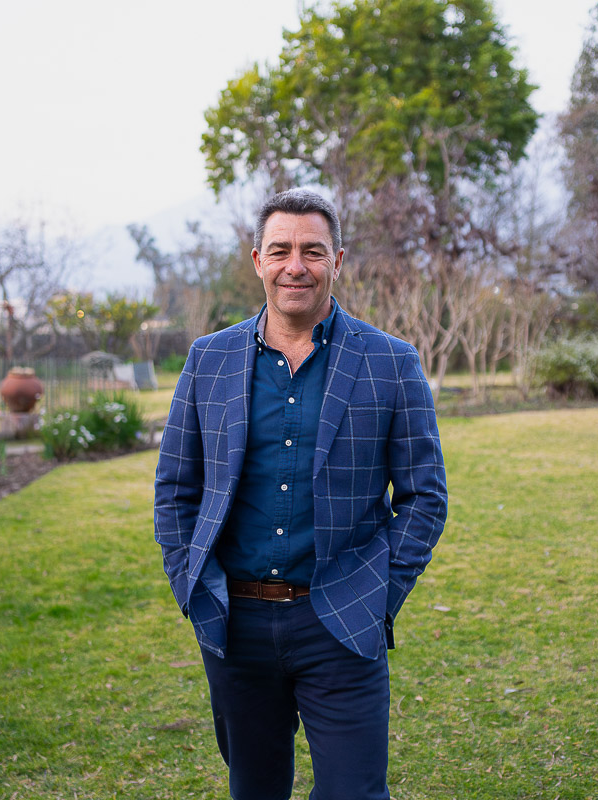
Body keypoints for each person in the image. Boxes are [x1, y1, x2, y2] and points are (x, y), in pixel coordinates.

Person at [154, 188, 447, 800]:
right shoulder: (209, 360)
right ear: (257, 260)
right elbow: (176, 487)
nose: (296, 266)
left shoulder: (391, 362)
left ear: (337, 261)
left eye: (312, 251)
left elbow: (424, 497)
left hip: (341, 620)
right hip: (234, 625)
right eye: (281, 250)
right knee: (255, 790)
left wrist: (378, 594)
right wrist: (189, 584)